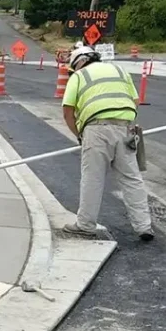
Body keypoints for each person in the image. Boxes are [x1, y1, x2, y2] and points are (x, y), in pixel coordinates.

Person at [61, 46, 154, 241]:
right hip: (125, 128)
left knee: (92, 178)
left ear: (79, 62)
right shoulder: (120, 71)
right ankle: (144, 226)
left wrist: (79, 135)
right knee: (132, 179)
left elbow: (68, 112)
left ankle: (85, 225)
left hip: (96, 129)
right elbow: (135, 100)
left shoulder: (79, 77)